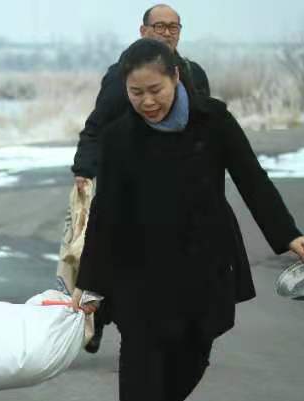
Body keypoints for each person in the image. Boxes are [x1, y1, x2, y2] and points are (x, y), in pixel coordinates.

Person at [72, 38, 304, 401]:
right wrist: (92, 282)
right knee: (140, 351)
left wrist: (288, 235)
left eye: (155, 90)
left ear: (176, 77)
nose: (147, 102)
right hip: (139, 263)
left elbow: (251, 178)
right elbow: (106, 211)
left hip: (204, 258)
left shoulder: (213, 121)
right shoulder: (120, 137)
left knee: (194, 352)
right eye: (136, 93)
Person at [69, 3, 210, 354]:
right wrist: (84, 168)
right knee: (117, 255)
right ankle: (101, 318)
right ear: (143, 30)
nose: (166, 33)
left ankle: (167, 329)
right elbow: (97, 125)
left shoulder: (193, 74)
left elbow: (206, 130)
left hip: (177, 187)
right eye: (159, 26)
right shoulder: (121, 75)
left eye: (173, 27)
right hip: (126, 185)